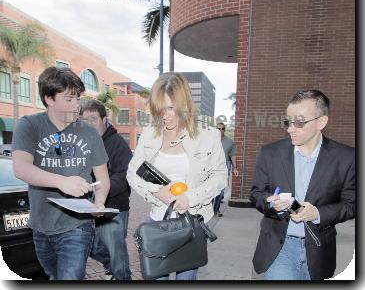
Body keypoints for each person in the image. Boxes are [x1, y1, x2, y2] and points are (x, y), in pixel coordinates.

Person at [12, 67, 110, 280]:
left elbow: (102, 177)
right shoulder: (29, 126)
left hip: (77, 226)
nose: (76, 105)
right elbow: (21, 167)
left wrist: (100, 201)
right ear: (49, 98)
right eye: (68, 99)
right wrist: (62, 182)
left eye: (78, 98)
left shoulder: (89, 132)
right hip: (40, 226)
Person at [127, 72, 227, 281]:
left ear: (184, 104)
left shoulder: (208, 136)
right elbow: (132, 173)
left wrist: (191, 197)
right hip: (158, 221)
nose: (166, 115)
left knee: (186, 278)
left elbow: (219, 177)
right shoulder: (149, 133)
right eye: (160, 109)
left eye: (171, 108)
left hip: (192, 223)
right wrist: (155, 191)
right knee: (155, 277)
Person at [250, 89, 355, 280]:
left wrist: (318, 214)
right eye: (288, 121)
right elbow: (256, 193)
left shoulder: (346, 158)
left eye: (298, 122)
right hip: (280, 247)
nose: (290, 128)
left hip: (319, 249)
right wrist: (270, 203)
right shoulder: (270, 153)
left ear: (321, 122)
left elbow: (351, 205)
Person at [81, 100, 132, 280]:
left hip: (113, 209)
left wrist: (102, 189)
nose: (88, 124)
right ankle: (112, 268)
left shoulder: (117, 143)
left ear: (104, 119)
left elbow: (126, 176)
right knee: (90, 246)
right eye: (84, 120)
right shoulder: (84, 144)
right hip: (90, 208)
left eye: (93, 119)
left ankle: (122, 278)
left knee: (117, 253)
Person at [213, 122, 238, 217]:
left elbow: (233, 156)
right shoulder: (210, 140)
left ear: (224, 130)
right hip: (211, 166)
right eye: (218, 129)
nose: (220, 130)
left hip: (225, 165)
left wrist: (235, 168)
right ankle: (208, 210)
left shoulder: (230, 142)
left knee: (220, 189)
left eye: (222, 129)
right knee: (210, 188)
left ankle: (216, 209)